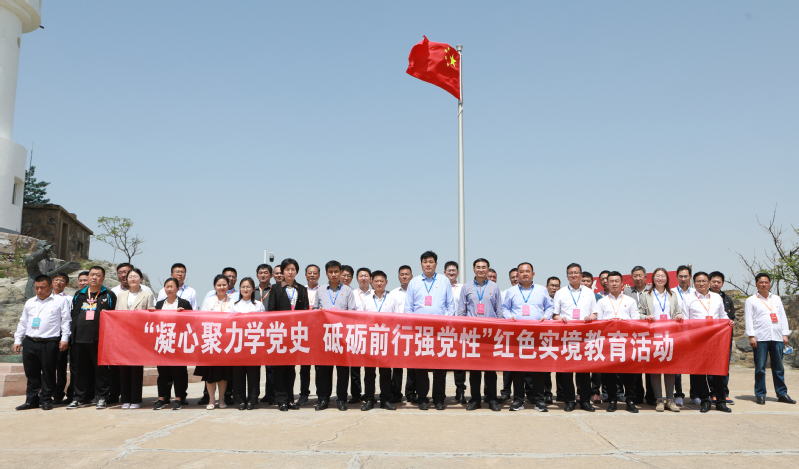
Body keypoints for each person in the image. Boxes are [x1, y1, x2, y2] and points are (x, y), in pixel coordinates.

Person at [404, 251, 454, 410]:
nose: (428, 264)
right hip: (420, 331)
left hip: (440, 331)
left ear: (436, 264)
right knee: (421, 367)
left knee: (440, 367)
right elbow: (408, 308)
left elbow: (450, 306)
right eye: (425, 262)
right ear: (421, 264)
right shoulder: (414, 282)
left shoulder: (444, 280)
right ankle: (423, 398)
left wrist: (447, 324)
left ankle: (439, 399)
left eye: (431, 261)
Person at [13, 275, 71, 411]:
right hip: (30, 341)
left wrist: (64, 339)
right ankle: (31, 400)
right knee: (31, 372)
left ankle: (46, 399)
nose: (39, 290)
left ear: (50, 286)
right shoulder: (30, 302)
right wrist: (18, 339)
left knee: (48, 372)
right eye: (37, 288)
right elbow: (23, 322)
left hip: (50, 341)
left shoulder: (60, 301)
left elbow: (66, 321)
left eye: (43, 287)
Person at [502, 262, 553, 412]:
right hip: (518, 335)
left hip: (537, 334)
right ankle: (518, 400)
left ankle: (539, 400)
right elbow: (505, 308)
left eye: (527, 271)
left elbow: (550, 307)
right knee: (517, 369)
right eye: (521, 271)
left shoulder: (541, 290)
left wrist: (546, 317)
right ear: (517, 274)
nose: (525, 274)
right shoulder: (511, 291)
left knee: (538, 368)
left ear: (533, 274)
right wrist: (509, 317)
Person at [682, 271, 735, 413]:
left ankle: (721, 402)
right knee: (700, 372)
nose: (702, 284)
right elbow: (685, 320)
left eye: (704, 281)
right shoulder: (688, 298)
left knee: (718, 371)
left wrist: (728, 322)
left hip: (716, 339)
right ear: (694, 283)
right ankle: (705, 401)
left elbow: (723, 315)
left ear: (709, 282)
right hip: (697, 340)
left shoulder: (716, 297)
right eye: (698, 281)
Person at [67, 266, 117, 410]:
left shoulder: (109, 295)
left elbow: (113, 316)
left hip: (100, 339)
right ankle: (79, 398)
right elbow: (74, 314)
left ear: (103, 278)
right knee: (79, 370)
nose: (94, 277)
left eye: (98, 275)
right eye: (92, 274)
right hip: (79, 338)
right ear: (88, 277)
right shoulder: (79, 294)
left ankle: (101, 397)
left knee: (101, 370)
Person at [457, 258, 502, 411]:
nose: (481, 270)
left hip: (490, 334)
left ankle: (492, 399)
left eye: (484, 267)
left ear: (488, 269)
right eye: (478, 267)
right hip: (473, 334)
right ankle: (475, 399)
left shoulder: (494, 287)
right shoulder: (466, 287)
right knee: (474, 369)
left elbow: (499, 311)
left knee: (491, 369)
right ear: (473, 269)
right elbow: (461, 311)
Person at [591, 271, 639, 413]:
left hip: (627, 342)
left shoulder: (630, 301)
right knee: (610, 373)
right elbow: (599, 321)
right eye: (611, 281)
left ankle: (630, 400)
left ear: (622, 283)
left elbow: (636, 320)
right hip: (609, 342)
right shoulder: (602, 301)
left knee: (629, 373)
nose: (614, 283)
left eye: (617, 281)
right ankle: (612, 400)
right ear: (607, 283)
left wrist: (624, 322)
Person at [745, 272, 795, 406]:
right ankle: (760, 394)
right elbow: (748, 318)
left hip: (777, 337)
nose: (764, 285)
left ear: (769, 284)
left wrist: (785, 334)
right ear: (756, 284)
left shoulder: (776, 298)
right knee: (760, 368)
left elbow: (782, 316)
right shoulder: (751, 300)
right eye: (761, 282)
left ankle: (782, 394)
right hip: (760, 338)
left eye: (766, 282)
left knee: (778, 367)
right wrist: (751, 336)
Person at [267, 258, 310, 411]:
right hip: (280, 333)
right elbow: (271, 310)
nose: (290, 272)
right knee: (280, 368)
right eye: (287, 269)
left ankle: (291, 399)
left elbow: (305, 311)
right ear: (283, 272)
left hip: (295, 335)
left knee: (291, 369)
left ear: (296, 271)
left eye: (293, 269)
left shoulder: (302, 289)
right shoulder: (275, 288)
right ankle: (281, 400)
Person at [312, 260, 356, 411]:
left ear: (340, 272)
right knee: (324, 370)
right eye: (330, 272)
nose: (333, 274)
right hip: (324, 336)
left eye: (336, 271)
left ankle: (341, 399)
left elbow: (352, 312)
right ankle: (323, 399)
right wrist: (319, 312)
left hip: (342, 336)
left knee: (342, 370)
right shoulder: (321, 290)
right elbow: (314, 309)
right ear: (326, 273)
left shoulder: (348, 291)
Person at [552, 263, 597, 412]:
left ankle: (585, 401)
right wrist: (560, 318)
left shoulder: (589, 292)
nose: (573, 275)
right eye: (570, 273)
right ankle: (570, 400)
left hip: (584, 336)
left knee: (584, 371)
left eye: (576, 273)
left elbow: (595, 313)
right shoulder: (561, 293)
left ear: (581, 275)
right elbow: (555, 314)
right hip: (567, 336)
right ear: (567, 276)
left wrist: (590, 317)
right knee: (566, 371)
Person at [639, 268, 682, 412]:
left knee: (670, 368)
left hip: (670, 335)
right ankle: (659, 400)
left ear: (667, 279)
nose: (660, 278)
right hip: (653, 335)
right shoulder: (646, 294)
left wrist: (679, 316)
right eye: (657, 276)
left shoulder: (672, 295)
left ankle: (670, 400)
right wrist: (646, 317)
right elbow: (639, 313)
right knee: (656, 369)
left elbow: (677, 311)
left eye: (663, 276)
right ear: (653, 279)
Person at [149, 277, 192, 410]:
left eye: (172, 286)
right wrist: (151, 312)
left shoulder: (184, 303)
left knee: (178, 371)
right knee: (163, 372)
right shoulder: (159, 304)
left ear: (177, 288)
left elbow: (192, 321)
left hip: (178, 342)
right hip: (163, 342)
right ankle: (161, 398)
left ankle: (178, 398)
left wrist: (184, 314)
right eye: (167, 286)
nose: (169, 289)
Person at [114, 268, 154, 409]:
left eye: (135, 276)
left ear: (141, 279)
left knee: (136, 369)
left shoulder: (147, 295)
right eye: (130, 276)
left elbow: (150, 317)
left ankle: (135, 399)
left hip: (138, 337)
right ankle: (125, 399)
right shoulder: (121, 295)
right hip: (123, 336)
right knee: (123, 368)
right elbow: (116, 315)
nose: (132, 279)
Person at [359, 270, 397, 411]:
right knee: (369, 373)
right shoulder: (366, 299)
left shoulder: (392, 299)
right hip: (370, 340)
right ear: (372, 283)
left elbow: (397, 319)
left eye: (382, 281)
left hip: (386, 340)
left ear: (386, 282)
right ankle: (369, 399)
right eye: (376, 281)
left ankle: (385, 399)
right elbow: (360, 319)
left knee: (385, 373)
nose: (379, 283)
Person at [196, 275, 235, 410]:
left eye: (224, 285)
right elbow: (203, 319)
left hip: (226, 341)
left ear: (228, 286)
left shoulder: (233, 302)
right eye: (219, 285)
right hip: (211, 340)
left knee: (223, 374)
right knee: (210, 374)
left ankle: (221, 399)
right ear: (214, 287)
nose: (221, 287)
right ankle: (211, 400)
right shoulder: (209, 301)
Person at [231, 277, 265, 410]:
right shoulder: (234, 305)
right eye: (243, 287)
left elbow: (264, 323)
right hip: (238, 343)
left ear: (253, 289)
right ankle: (239, 400)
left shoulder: (259, 305)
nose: (245, 289)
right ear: (240, 289)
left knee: (253, 373)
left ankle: (252, 399)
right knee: (238, 373)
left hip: (254, 343)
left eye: (248, 287)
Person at [624, 266, 654, 406]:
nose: (637, 278)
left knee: (650, 365)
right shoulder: (626, 292)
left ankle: (651, 396)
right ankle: (637, 395)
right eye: (635, 276)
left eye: (640, 275)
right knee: (635, 365)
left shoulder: (652, 291)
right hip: (632, 335)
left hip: (650, 334)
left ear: (645, 277)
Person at [387, 265, 414, 404]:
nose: (404, 277)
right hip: (397, 331)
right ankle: (396, 393)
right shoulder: (392, 293)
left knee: (412, 364)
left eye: (407, 274)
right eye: (402, 274)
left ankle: (411, 393)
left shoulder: (416, 291)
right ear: (398, 277)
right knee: (397, 365)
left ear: (411, 276)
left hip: (413, 331)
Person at [709, 271, 736, 405]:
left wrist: (730, 323)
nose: (716, 284)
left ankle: (724, 393)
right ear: (709, 282)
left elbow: (730, 318)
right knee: (710, 366)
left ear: (722, 283)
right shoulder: (704, 297)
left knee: (724, 366)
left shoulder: (727, 299)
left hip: (724, 338)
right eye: (713, 281)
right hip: (709, 338)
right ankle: (713, 393)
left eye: (719, 282)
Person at [348, 267, 373, 404]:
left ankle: (369, 394)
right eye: (361, 276)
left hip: (372, 335)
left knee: (370, 368)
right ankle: (355, 394)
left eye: (366, 276)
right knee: (355, 368)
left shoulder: (375, 294)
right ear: (357, 279)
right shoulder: (351, 293)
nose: (363, 278)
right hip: (355, 333)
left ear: (370, 279)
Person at [671, 265, 694, 406]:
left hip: (693, 333)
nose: (683, 279)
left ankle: (695, 394)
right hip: (676, 333)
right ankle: (678, 394)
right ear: (677, 277)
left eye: (686, 276)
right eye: (681, 276)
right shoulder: (671, 292)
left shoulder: (695, 293)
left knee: (694, 364)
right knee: (677, 365)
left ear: (690, 277)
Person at [254, 264, 276, 405]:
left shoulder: (275, 290)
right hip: (254, 333)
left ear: (271, 275)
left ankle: (270, 395)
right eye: (260, 273)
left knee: (271, 367)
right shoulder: (252, 290)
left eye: (266, 272)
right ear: (257, 275)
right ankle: (254, 395)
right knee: (254, 367)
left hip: (271, 332)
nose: (263, 275)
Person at [445, 261, 467, 403]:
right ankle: (439, 393)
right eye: (449, 270)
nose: (451, 272)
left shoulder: (463, 288)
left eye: (454, 270)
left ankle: (460, 391)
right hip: (443, 328)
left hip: (459, 329)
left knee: (459, 362)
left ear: (458, 273)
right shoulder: (439, 287)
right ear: (444, 273)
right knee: (442, 360)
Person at [581, 271, 603, 404]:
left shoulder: (598, 297)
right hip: (579, 335)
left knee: (596, 365)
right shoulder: (576, 296)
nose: (585, 283)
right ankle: (581, 392)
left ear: (592, 283)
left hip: (595, 335)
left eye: (588, 281)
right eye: (583, 280)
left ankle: (595, 392)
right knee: (581, 365)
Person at [51, 273, 72, 405]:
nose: (59, 282)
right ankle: (46, 392)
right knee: (47, 365)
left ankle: (58, 394)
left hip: (62, 335)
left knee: (60, 366)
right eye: (56, 280)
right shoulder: (46, 298)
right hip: (48, 335)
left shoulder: (69, 299)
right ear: (52, 282)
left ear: (66, 284)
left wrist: (66, 337)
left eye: (62, 280)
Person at [499, 267, 519, 402]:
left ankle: (528, 392)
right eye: (513, 277)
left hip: (526, 334)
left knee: (526, 363)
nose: (515, 279)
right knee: (508, 365)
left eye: (517, 276)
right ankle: (506, 391)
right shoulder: (505, 293)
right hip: (509, 333)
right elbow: (501, 310)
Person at [544, 276, 561, 404]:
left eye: (556, 286)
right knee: (545, 367)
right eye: (552, 285)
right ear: (547, 287)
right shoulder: (543, 298)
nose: (554, 288)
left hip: (561, 336)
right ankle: (547, 393)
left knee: (561, 366)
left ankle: (561, 393)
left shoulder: (562, 297)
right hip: (545, 336)